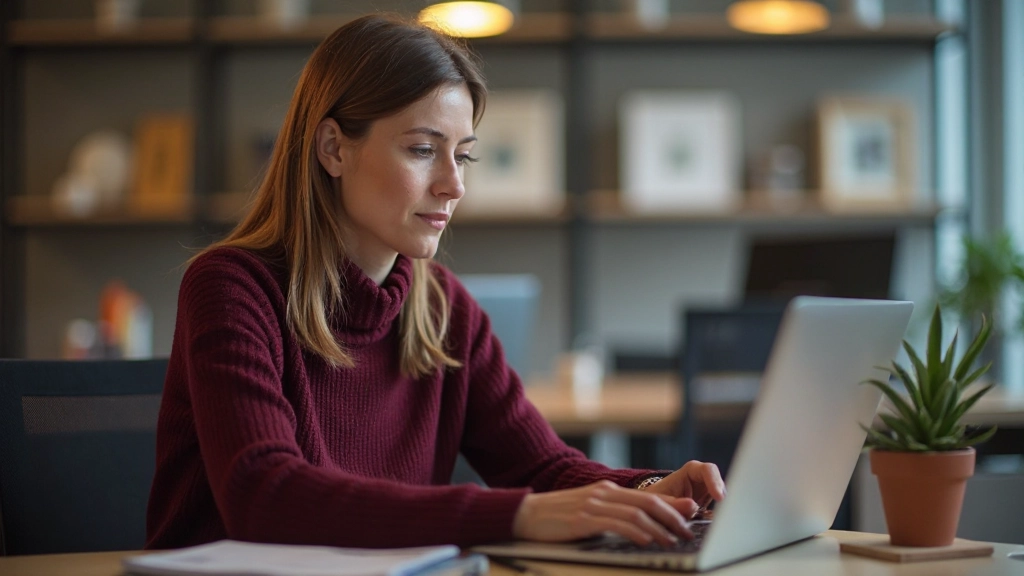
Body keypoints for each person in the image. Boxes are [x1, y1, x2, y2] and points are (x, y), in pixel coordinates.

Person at [146, 13, 725, 551]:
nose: (454, 186)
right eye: (423, 150)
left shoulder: (444, 308)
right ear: (333, 149)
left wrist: (653, 489)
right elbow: (265, 497)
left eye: (463, 157)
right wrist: (515, 515)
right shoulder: (231, 288)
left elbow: (541, 469)